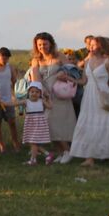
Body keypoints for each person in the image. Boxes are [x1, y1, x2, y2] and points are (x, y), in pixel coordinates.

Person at [69, 36, 109, 168]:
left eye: (94, 45)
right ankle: (90, 157)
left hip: (102, 94)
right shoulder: (88, 61)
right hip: (89, 96)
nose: (91, 47)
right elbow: (84, 80)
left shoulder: (108, 62)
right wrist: (70, 79)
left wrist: (104, 86)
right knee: (88, 123)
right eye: (90, 45)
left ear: (101, 46)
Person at [29, 32, 76, 163]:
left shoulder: (59, 56)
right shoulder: (36, 60)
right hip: (46, 95)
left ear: (50, 44)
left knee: (60, 124)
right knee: (48, 124)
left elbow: (72, 70)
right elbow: (36, 77)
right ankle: (61, 152)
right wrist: (42, 92)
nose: (42, 46)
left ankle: (67, 151)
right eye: (39, 44)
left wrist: (63, 72)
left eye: (45, 44)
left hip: (60, 94)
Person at [0, 47, 21, 153]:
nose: (5, 61)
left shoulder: (10, 68)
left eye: (7, 59)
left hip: (8, 100)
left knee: (12, 122)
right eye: (3, 58)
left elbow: (13, 81)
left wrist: (13, 95)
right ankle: (1, 145)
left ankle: (16, 143)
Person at [21, 80, 53, 165]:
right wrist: (4, 103)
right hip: (30, 124)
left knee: (33, 142)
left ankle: (33, 160)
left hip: (38, 125)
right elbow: (15, 103)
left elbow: (50, 107)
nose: (34, 93)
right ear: (29, 92)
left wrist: (48, 98)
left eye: (37, 92)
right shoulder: (26, 101)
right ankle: (47, 154)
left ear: (40, 93)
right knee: (33, 142)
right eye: (32, 91)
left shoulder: (41, 101)